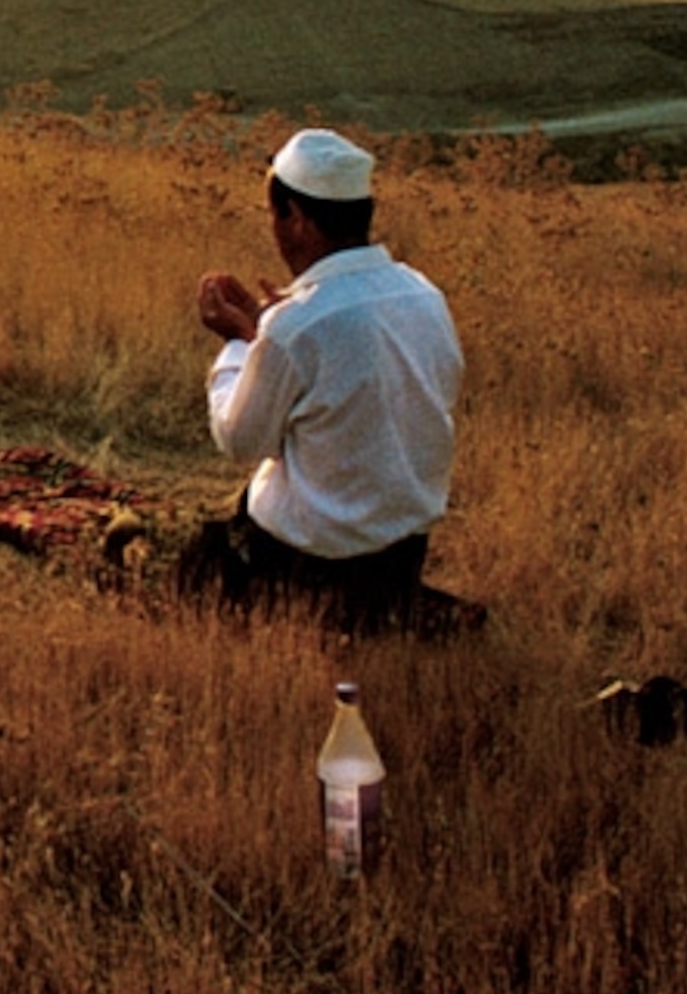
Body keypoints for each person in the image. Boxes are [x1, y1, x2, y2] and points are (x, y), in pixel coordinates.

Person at [176, 127, 476, 635]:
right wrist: (266, 334)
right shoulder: (424, 295)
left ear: (295, 217)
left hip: (315, 557)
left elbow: (241, 439)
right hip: (402, 551)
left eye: (276, 215)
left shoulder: (297, 325)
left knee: (188, 569)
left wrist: (239, 342)